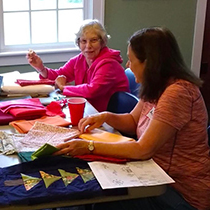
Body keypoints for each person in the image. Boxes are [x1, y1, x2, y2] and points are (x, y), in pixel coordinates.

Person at [54, 27, 210, 210]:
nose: (128, 65)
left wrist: (89, 146)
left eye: (132, 59)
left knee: (98, 201)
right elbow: (133, 121)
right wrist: (105, 116)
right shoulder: (157, 86)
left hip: (179, 193)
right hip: (155, 175)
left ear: (149, 63)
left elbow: (143, 149)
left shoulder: (178, 93)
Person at [27, 19, 129, 112]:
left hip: (110, 118)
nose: (88, 46)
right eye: (84, 41)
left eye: (93, 40)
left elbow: (92, 91)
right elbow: (59, 75)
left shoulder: (109, 63)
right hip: (91, 111)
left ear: (102, 42)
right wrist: (41, 68)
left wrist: (63, 87)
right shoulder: (81, 59)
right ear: (78, 43)